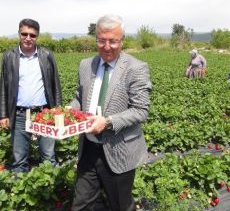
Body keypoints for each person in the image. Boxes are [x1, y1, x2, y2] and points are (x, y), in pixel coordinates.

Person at [70, 14, 152, 211]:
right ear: (96, 38)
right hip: (88, 147)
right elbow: (79, 98)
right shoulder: (85, 64)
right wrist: (69, 111)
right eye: (101, 40)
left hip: (118, 150)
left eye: (113, 41)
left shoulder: (136, 68)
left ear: (122, 41)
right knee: (81, 205)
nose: (107, 46)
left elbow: (141, 110)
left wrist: (107, 122)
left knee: (120, 205)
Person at [0, 18, 62, 172]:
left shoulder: (46, 55)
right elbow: (3, 86)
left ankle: (52, 190)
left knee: (48, 156)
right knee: (19, 159)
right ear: (19, 34)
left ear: (37, 36)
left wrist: (57, 111)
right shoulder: (9, 56)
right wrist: (3, 114)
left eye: (32, 35)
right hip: (20, 114)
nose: (28, 38)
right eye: (24, 34)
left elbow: (55, 83)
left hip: (44, 114)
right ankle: (21, 191)